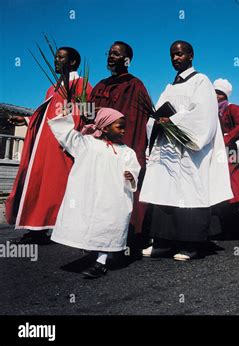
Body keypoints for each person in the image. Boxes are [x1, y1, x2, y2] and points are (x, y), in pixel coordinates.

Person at [140, 40, 232, 261]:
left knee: (189, 193)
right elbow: (154, 116)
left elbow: (203, 116)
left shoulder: (201, 81)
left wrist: (172, 121)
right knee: (164, 190)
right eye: (172, 54)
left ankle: (192, 244)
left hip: (189, 151)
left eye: (180, 54)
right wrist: (157, 122)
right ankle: (163, 242)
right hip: (167, 149)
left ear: (191, 56)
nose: (175, 58)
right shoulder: (169, 88)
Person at [5, 47, 92, 244]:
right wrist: (27, 120)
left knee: (57, 184)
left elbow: (87, 113)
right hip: (43, 144)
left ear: (73, 62)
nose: (56, 60)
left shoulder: (80, 85)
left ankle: (61, 226)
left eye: (61, 57)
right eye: (55, 57)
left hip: (61, 144)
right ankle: (38, 226)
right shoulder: (52, 88)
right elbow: (45, 115)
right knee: (39, 183)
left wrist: (70, 135)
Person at [48, 107, 140, 278]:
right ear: (104, 128)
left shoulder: (126, 152)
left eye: (123, 127)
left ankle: (101, 263)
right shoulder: (86, 143)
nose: (123, 130)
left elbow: (134, 168)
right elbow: (66, 134)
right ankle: (96, 252)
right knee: (92, 224)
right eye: (119, 127)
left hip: (115, 197)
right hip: (89, 195)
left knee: (109, 226)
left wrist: (131, 175)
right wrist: (69, 114)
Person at [89, 41, 152, 256]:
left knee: (122, 190)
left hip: (124, 147)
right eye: (110, 53)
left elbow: (141, 119)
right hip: (100, 146)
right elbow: (87, 114)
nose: (111, 56)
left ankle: (129, 236)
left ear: (127, 60)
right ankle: (97, 237)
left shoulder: (136, 85)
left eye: (117, 54)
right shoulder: (100, 85)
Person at [212, 78, 239, 239]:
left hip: (228, 151)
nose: (215, 95)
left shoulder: (232, 108)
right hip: (213, 150)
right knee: (216, 181)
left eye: (219, 93)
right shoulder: (210, 110)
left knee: (231, 182)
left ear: (225, 96)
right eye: (214, 92)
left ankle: (236, 224)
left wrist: (226, 138)